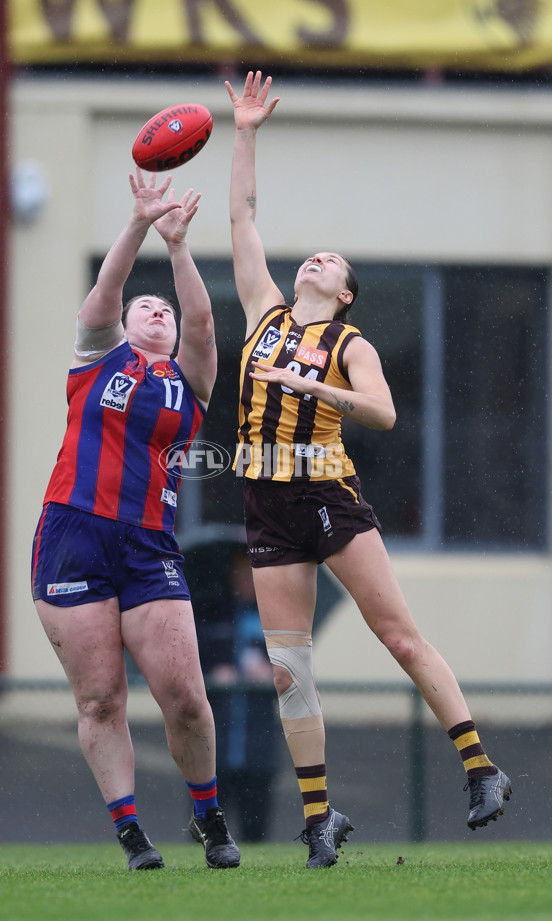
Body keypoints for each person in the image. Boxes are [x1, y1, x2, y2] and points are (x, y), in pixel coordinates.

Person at [225, 71, 512, 869]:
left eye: (331, 262)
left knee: (397, 635)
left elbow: (382, 413)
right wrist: (244, 130)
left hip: (328, 494)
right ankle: (320, 818)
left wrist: (309, 384)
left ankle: (482, 767)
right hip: (268, 501)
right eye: (313, 255)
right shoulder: (265, 314)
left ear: (345, 293)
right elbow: (243, 216)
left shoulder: (349, 346)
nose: (316, 259)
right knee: (289, 670)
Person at [31, 167, 240, 871]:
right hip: (72, 535)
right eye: (144, 307)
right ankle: (131, 832)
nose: (156, 312)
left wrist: (178, 246)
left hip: (149, 542)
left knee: (183, 693)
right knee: (100, 698)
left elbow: (205, 326)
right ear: (123, 325)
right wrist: (138, 223)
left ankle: (208, 815)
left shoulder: (190, 380)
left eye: (165, 311)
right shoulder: (96, 356)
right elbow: (105, 293)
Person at [196, 546, 280, 842]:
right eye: (240, 573)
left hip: (259, 747)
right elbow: (189, 665)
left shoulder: (278, 620)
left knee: (255, 831)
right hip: (215, 743)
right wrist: (213, 676)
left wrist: (272, 675)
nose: (246, 580)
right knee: (208, 829)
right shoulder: (209, 616)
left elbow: (298, 675)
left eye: (252, 573)